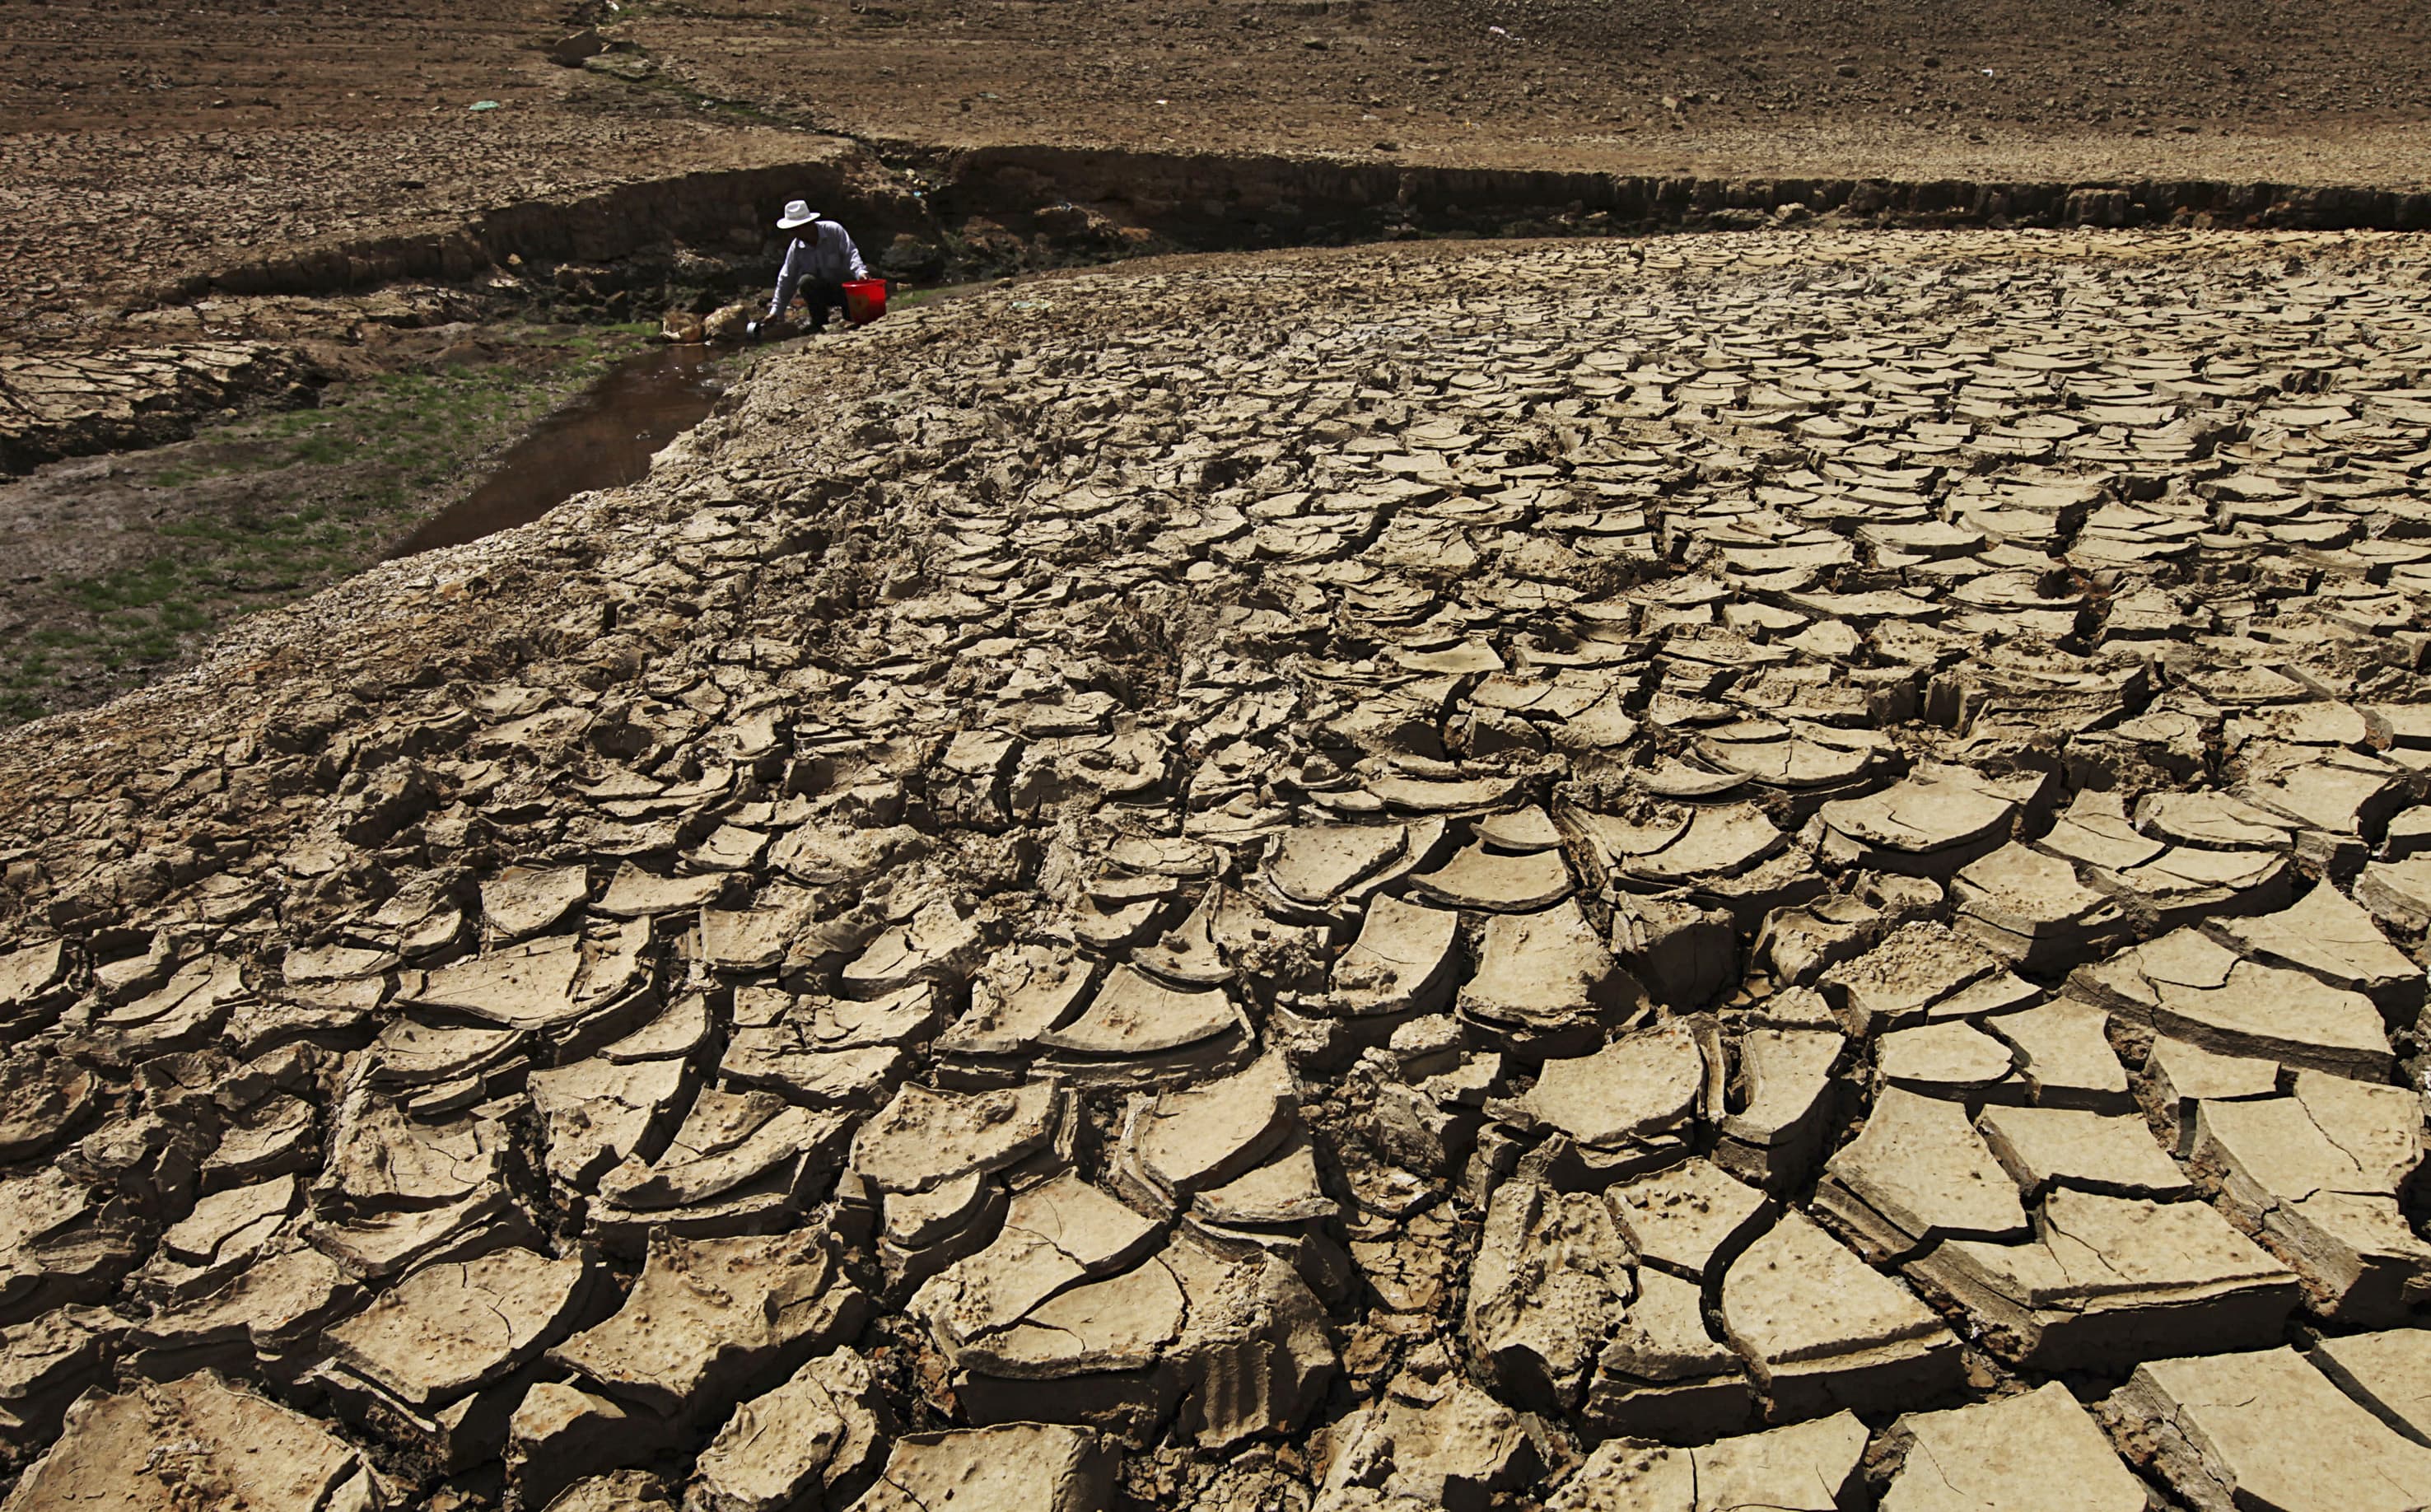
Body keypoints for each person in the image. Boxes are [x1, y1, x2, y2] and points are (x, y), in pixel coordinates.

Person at [750, 200, 867, 339]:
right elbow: (786, 279)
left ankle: (851, 315)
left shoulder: (834, 231)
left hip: (848, 290)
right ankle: (819, 323)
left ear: (808, 225)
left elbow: (851, 254)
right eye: (792, 230)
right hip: (824, 293)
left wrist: (860, 272)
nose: (794, 233)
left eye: (796, 229)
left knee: (852, 308)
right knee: (806, 282)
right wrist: (776, 311)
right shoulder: (796, 248)